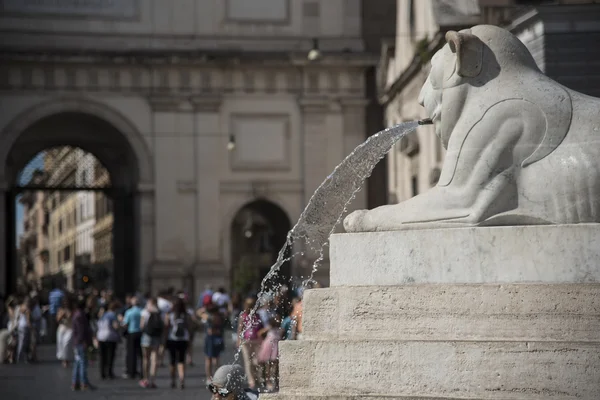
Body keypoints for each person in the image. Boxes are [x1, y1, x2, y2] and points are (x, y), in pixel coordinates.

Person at [237, 297, 263, 389]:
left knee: (257, 361)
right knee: (248, 361)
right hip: (246, 341)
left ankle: (257, 377)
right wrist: (238, 340)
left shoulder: (257, 316)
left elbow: (260, 327)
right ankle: (251, 380)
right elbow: (240, 329)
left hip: (256, 340)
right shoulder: (243, 316)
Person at [165, 297, 190, 389]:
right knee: (181, 360)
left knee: (172, 361)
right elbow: (189, 327)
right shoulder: (186, 315)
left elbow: (166, 327)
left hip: (172, 339)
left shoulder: (170, 315)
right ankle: (182, 379)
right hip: (183, 339)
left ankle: (173, 380)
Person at [139, 297, 163, 388]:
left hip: (146, 336)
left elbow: (141, 326)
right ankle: (153, 380)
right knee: (154, 359)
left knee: (145, 358)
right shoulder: (160, 312)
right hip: (156, 337)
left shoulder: (145, 312)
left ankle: (145, 379)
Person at [71, 299, 95, 391]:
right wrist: (84, 341)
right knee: (82, 362)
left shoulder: (76, 314)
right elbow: (82, 331)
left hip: (76, 342)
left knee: (77, 362)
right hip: (81, 342)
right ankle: (83, 382)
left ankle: (75, 382)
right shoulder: (81, 316)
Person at [199, 304, 225, 383]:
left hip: (211, 338)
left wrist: (203, 310)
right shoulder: (220, 317)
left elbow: (199, 313)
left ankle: (209, 377)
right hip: (218, 338)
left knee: (209, 359)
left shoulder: (208, 317)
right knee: (216, 358)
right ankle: (217, 376)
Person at [257, 317, 283, 392]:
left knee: (275, 365)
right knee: (268, 365)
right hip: (269, 346)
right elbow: (260, 333)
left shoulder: (279, 329)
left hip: (275, 347)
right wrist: (262, 340)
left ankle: (276, 382)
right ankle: (268, 381)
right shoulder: (269, 328)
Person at [96, 300, 120, 380]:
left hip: (100, 336)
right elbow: (115, 326)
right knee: (110, 356)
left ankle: (102, 372)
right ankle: (109, 372)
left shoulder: (103, 315)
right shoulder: (112, 315)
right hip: (110, 337)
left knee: (102, 356)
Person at [122, 296, 143, 379]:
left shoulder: (129, 312)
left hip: (131, 333)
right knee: (141, 354)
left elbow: (125, 323)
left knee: (131, 353)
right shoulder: (142, 311)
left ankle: (132, 371)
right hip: (140, 333)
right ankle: (142, 371)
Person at [56, 297, 74, 368]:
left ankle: (66, 359)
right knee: (61, 343)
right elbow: (57, 320)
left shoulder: (72, 310)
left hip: (70, 328)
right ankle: (63, 359)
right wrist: (61, 315)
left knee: (67, 343)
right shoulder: (60, 309)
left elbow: (71, 318)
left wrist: (68, 314)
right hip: (62, 327)